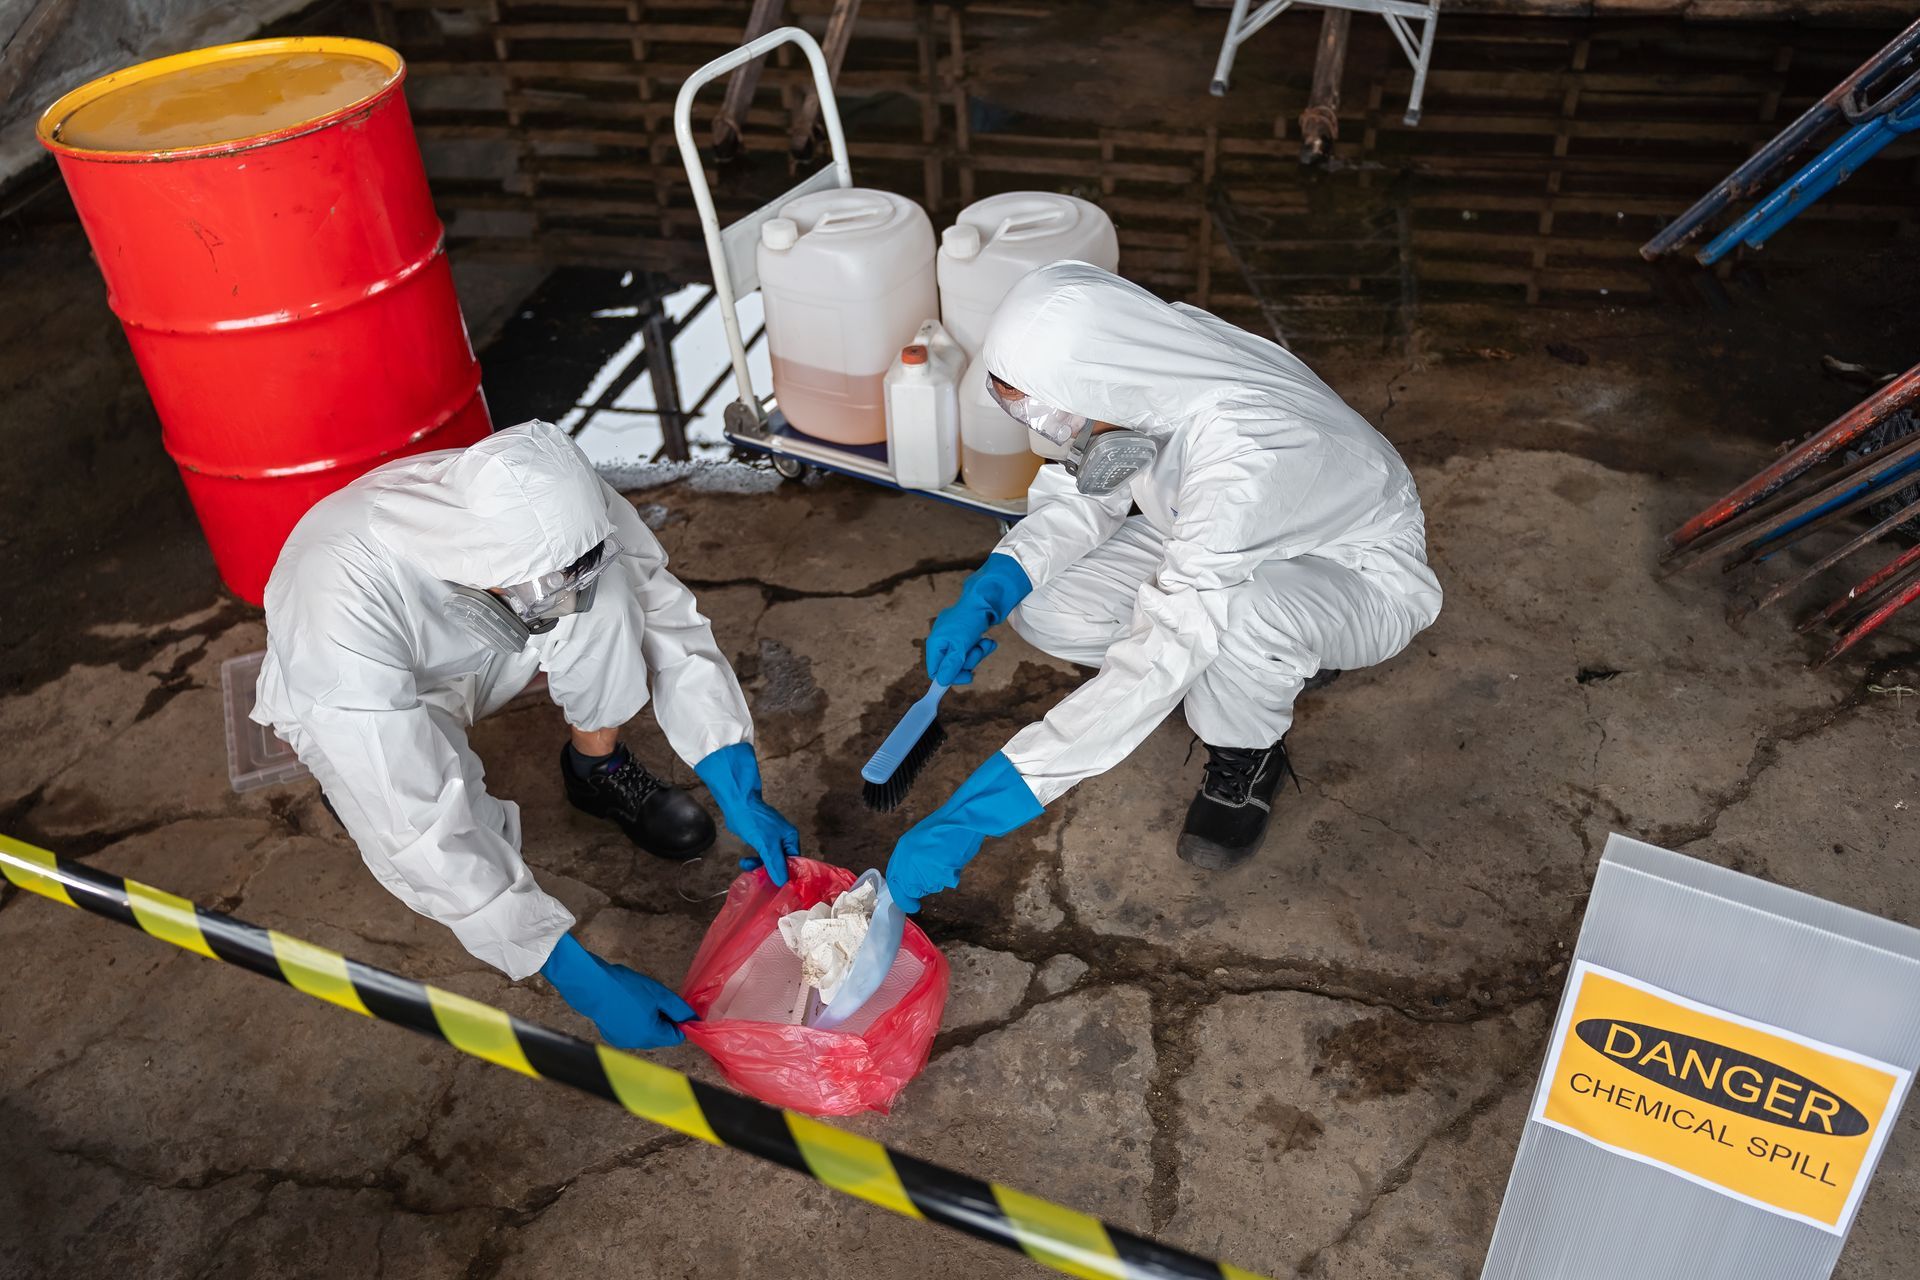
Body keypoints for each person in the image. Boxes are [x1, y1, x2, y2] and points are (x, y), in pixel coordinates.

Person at [886, 262, 1442, 910]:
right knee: (1045, 604)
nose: (1054, 437)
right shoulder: (1146, 363)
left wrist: (974, 815)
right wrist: (991, 588)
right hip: (1211, 526)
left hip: (1354, 571)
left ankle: (1247, 750)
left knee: (1235, 619)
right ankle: (1245, 672)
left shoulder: (1245, 453)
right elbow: (1087, 488)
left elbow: (1164, 643)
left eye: (1057, 419)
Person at [253, 421, 800, 1049]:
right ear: (474, 562)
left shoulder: (558, 498)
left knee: (614, 596)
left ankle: (597, 768)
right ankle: (341, 781)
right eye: (548, 588)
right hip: (378, 696)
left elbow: (663, 615)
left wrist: (734, 776)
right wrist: (574, 972)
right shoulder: (336, 594)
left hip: (488, 638)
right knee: (434, 812)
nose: (571, 599)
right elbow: (417, 824)